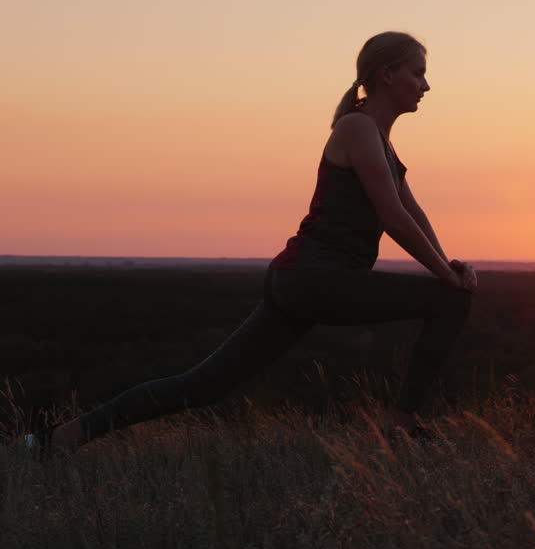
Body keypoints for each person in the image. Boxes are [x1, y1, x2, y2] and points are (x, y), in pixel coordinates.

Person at [23, 31, 477, 459]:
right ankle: (402, 429)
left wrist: (448, 264)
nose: (426, 85)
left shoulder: (378, 138)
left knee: (202, 386)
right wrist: (447, 278)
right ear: (387, 74)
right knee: (449, 302)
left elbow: (411, 210)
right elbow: (391, 216)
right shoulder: (357, 129)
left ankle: (57, 440)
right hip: (318, 279)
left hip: (299, 280)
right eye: (417, 73)